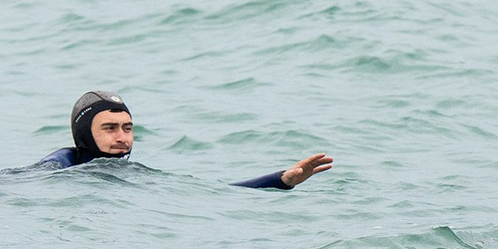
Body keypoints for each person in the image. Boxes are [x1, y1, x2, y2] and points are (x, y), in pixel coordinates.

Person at [36, 90, 335, 190]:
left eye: (128, 128)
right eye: (110, 128)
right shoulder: (58, 168)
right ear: (84, 133)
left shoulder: (132, 174)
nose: (122, 137)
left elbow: (211, 194)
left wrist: (282, 179)